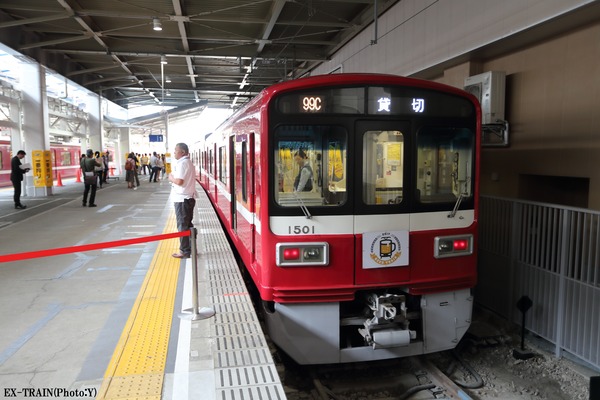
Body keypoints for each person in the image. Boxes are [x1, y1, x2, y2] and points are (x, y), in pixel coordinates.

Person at [168, 143, 197, 259]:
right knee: (188, 224)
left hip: (182, 200)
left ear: (183, 152)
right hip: (188, 198)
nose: (174, 152)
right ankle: (191, 248)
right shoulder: (188, 162)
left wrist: (171, 178)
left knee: (182, 226)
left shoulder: (182, 164)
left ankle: (184, 251)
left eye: (176, 150)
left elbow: (179, 181)